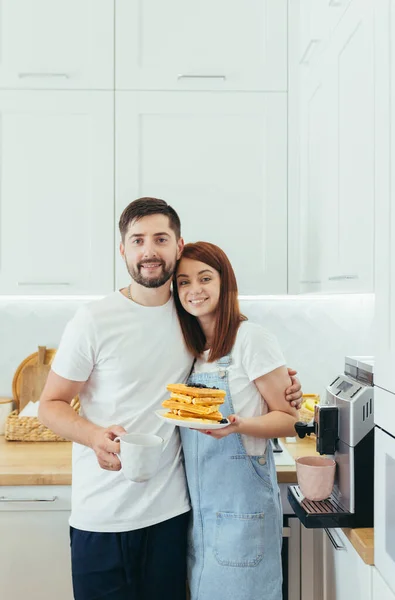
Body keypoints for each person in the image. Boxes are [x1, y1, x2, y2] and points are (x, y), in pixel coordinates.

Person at [38, 198, 303, 600]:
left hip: (173, 517)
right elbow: (50, 404)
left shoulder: (190, 320)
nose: (149, 251)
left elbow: (246, 371)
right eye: (137, 240)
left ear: (178, 246)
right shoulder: (93, 320)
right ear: (123, 250)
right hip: (102, 518)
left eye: (160, 238)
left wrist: (283, 391)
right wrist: (93, 436)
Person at [173, 241, 298, 600]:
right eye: (183, 282)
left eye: (204, 278)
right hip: (201, 520)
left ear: (224, 282)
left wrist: (238, 425)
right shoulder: (192, 350)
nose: (194, 290)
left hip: (243, 518)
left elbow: (290, 420)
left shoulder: (251, 339)